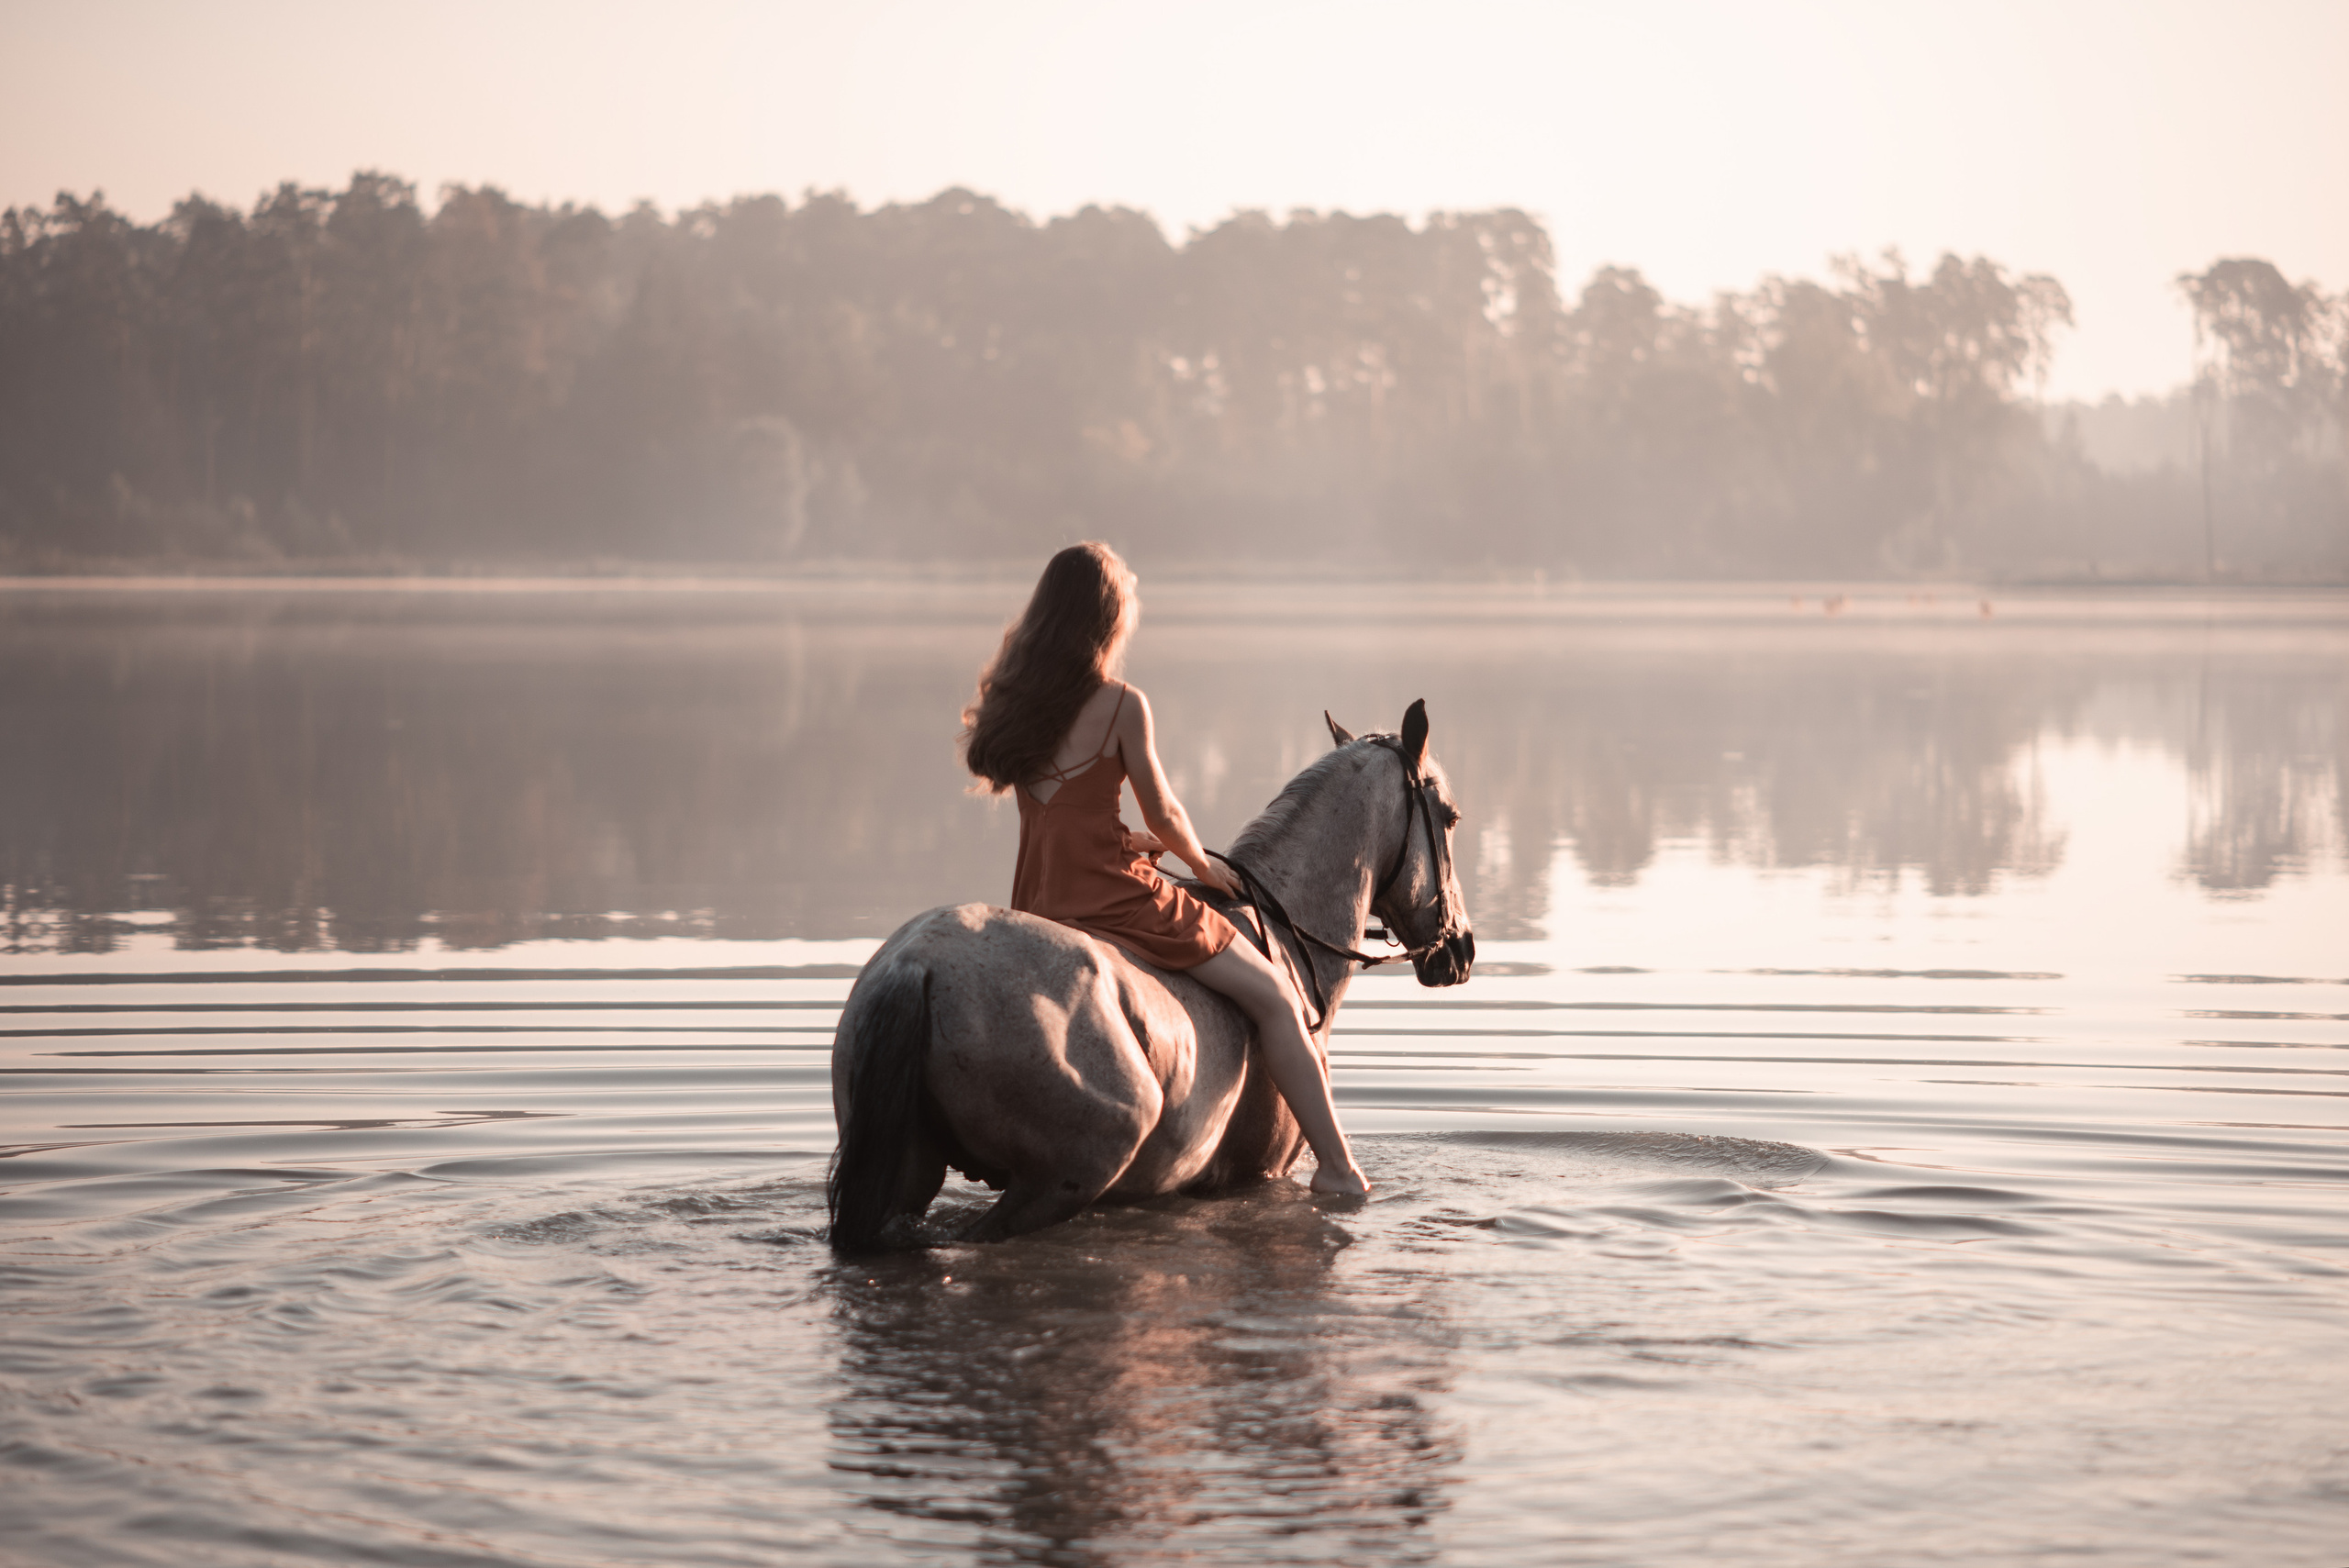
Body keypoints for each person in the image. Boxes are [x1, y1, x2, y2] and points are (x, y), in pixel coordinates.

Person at [961, 542, 1371, 1196]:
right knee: (1277, 999)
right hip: (1115, 900)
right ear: (1108, 620)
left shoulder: (1018, 705)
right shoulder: (1122, 703)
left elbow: (1063, 814)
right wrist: (1203, 866)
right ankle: (1340, 1170)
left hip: (1039, 905)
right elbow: (1167, 811)